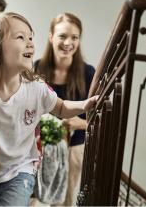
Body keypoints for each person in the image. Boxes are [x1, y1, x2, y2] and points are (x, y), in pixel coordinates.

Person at [0, 12, 98, 206]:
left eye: (31, 37)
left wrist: (84, 104)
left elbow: (61, 107)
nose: (30, 43)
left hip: (21, 170)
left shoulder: (35, 87)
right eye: (21, 37)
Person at [35, 12, 95, 206]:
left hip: (73, 149)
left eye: (74, 37)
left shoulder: (88, 73)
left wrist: (81, 123)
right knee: (29, 197)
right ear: (51, 36)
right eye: (62, 36)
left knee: (63, 202)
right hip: (37, 147)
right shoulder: (37, 68)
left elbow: (100, 119)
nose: (68, 43)